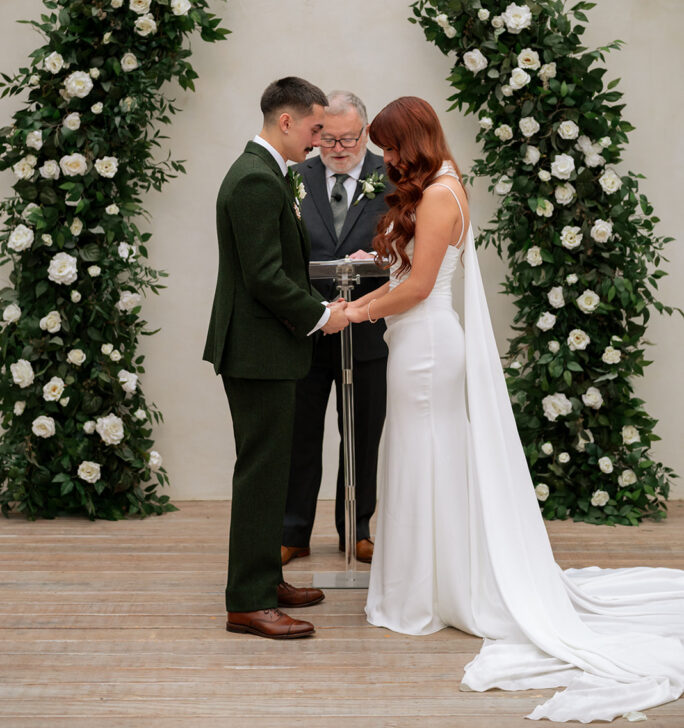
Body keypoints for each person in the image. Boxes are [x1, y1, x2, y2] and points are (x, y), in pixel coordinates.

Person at [345, 96, 684, 721]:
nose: (386, 157)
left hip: (425, 347)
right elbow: (411, 271)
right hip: (417, 342)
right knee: (421, 458)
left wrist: (356, 310)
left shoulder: (440, 195)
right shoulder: (441, 184)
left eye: (391, 146)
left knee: (424, 458)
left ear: (412, 140)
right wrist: (380, 264)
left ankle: (425, 591)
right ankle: (429, 580)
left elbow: (420, 287)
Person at [202, 76, 349, 640]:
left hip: (267, 347)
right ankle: (248, 602)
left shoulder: (268, 174)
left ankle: (266, 579)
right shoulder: (255, 181)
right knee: (261, 474)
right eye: (316, 128)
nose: (320, 140)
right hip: (257, 350)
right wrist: (319, 316)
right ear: (286, 121)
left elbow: (278, 267)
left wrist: (318, 305)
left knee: (273, 470)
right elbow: (263, 276)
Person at [281, 91, 390, 567]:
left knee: (363, 436)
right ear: (317, 132)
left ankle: (357, 530)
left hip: (368, 329)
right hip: (306, 329)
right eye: (329, 139)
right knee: (299, 435)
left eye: (349, 139)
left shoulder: (391, 175)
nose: (339, 148)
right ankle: (292, 532)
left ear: (365, 132)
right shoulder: (294, 176)